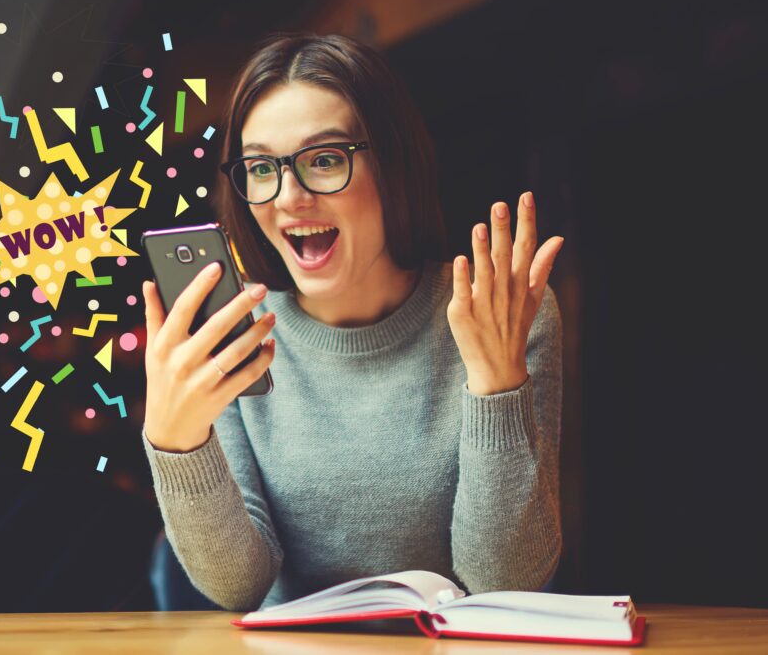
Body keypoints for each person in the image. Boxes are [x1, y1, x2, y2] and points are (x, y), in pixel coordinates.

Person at [140, 32, 565, 612]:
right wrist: (175, 441)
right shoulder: (236, 334)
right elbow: (239, 586)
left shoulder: (503, 313)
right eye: (261, 167)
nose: (288, 197)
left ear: (392, 163)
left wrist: (497, 386)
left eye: (324, 160)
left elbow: (505, 581)